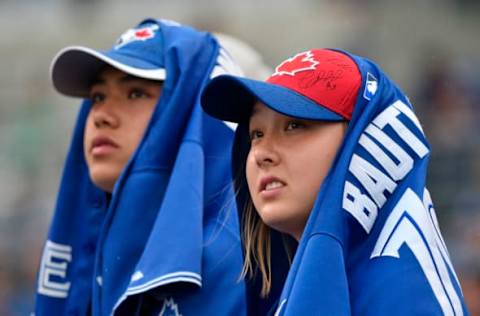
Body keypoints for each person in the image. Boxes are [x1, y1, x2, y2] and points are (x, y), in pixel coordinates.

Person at [201, 48, 470, 315]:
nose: (261, 153)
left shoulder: (402, 297)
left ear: (363, 145)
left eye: (294, 126)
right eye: (256, 133)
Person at [35, 18, 253, 316]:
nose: (101, 115)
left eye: (136, 93)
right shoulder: (93, 246)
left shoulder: (236, 261)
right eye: (97, 97)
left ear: (188, 114)